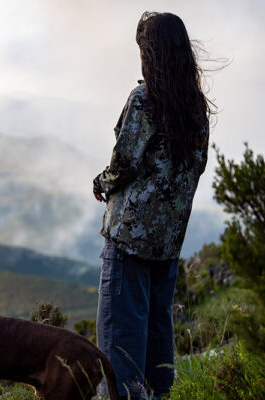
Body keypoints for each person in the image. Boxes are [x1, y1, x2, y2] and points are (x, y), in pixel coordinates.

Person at [92, 11, 212, 400]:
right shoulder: (196, 107)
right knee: (158, 333)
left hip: (129, 239)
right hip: (167, 242)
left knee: (120, 341)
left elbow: (124, 163)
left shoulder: (145, 99)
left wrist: (100, 184)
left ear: (152, 52)